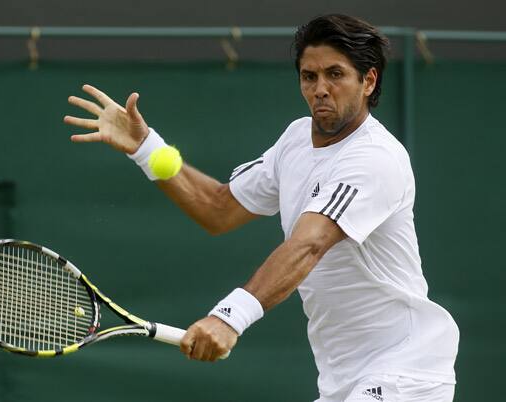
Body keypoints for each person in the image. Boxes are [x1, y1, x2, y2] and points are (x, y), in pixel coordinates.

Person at [64, 14, 459, 402]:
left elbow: (309, 244)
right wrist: (145, 147)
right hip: (342, 378)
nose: (320, 88)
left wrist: (228, 317)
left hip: (405, 371)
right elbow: (218, 208)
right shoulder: (294, 142)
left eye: (335, 75)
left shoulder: (375, 158)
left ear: (368, 81)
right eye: (310, 76)